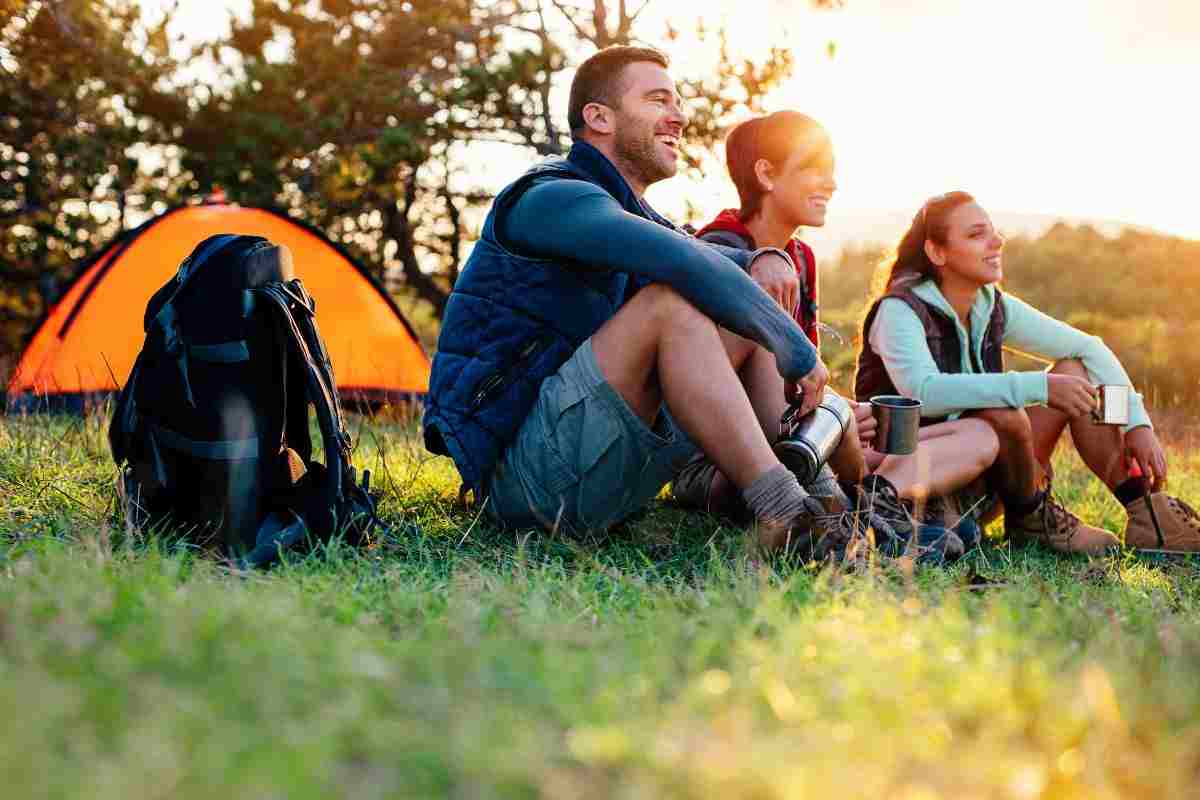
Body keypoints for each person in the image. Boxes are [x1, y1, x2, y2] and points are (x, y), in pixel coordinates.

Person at [423, 45, 848, 554]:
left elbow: (703, 264)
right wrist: (796, 347)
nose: (679, 116)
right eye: (657, 100)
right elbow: (680, 260)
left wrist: (763, 263)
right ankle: (783, 510)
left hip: (601, 468)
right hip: (524, 482)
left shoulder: (641, 215)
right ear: (598, 117)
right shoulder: (548, 198)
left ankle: (832, 513)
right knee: (674, 303)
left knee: (736, 309)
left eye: (678, 102)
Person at [674, 112, 996, 556]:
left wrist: (846, 410)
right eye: (814, 168)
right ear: (766, 174)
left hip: (800, 434)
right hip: (725, 464)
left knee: (979, 437)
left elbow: (802, 377)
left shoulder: (801, 257)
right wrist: (833, 415)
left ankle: (879, 503)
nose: (831, 183)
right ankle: (862, 519)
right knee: (773, 343)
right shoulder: (721, 249)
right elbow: (722, 378)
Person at [855, 190, 1200, 553]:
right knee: (1002, 411)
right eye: (976, 235)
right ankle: (1030, 514)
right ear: (937, 252)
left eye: (993, 231)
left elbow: (1090, 349)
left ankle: (1144, 510)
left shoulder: (992, 305)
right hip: (925, 472)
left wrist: (1135, 423)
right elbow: (922, 391)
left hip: (991, 473)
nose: (997, 241)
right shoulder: (900, 310)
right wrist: (1038, 386)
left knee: (1076, 371)